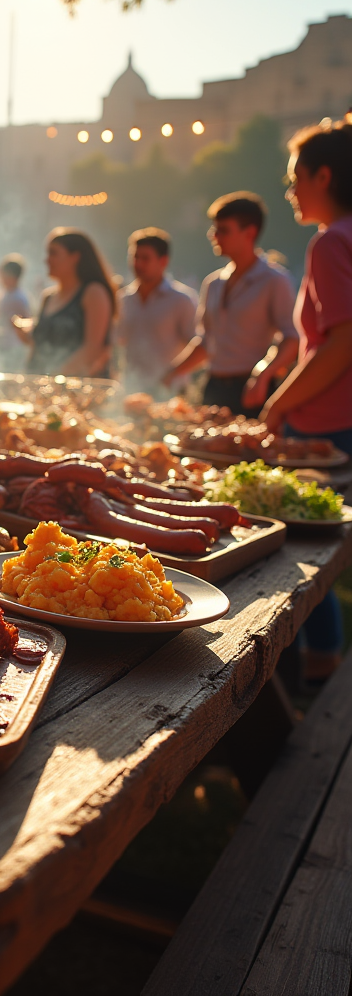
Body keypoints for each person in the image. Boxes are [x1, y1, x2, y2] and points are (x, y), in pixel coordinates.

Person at [259, 118, 352, 688]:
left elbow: (341, 341)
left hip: (326, 428)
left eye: (296, 178)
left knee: (306, 562)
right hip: (339, 423)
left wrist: (277, 405)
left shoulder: (331, 241)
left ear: (324, 174)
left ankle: (315, 676)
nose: (290, 190)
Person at [163, 193, 297, 414]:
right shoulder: (213, 282)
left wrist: (262, 374)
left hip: (251, 390)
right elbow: (206, 343)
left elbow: (291, 339)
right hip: (213, 388)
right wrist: (170, 373)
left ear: (250, 233)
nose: (214, 236)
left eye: (223, 230)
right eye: (214, 229)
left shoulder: (274, 280)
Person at [18, 228, 115, 377]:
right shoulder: (48, 297)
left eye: (53, 253)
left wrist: (56, 377)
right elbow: (42, 345)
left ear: (75, 257)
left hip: (77, 391)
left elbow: (93, 349)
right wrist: (25, 332)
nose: (47, 260)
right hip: (40, 388)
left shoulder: (93, 293)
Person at [115, 228, 198, 399]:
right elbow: (117, 342)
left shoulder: (181, 299)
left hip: (171, 392)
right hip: (131, 390)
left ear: (163, 261)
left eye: (145, 258)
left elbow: (197, 345)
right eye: (135, 257)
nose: (138, 264)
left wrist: (171, 375)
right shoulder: (124, 299)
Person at [0, 254, 31, 372]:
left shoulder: (18, 298)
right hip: (6, 344)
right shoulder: (8, 294)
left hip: (14, 346)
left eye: (3, 275)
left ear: (11, 276)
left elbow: (26, 321)